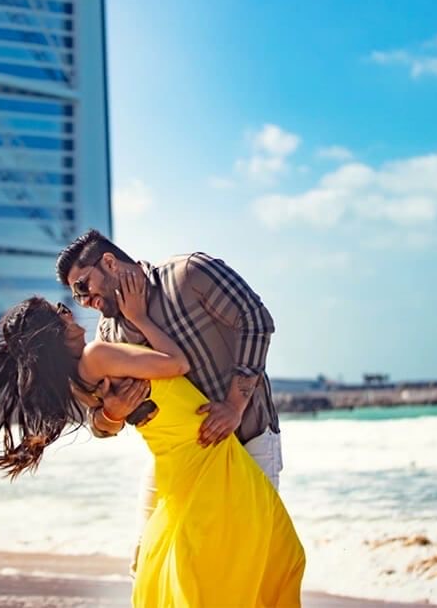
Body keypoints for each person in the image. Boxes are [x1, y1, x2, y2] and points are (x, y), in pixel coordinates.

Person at [0, 278, 305, 608]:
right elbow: (177, 365)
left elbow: (104, 421)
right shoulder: (97, 356)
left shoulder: (78, 377)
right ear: (51, 332)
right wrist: (139, 317)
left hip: (186, 460)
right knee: (253, 565)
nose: (70, 312)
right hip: (202, 456)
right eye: (59, 310)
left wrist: (111, 413)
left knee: (208, 572)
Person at [55, 229, 285, 571]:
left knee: (246, 565)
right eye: (76, 297)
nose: (84, 302)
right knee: (147, 563)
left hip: (248, 440)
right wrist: (113, 415)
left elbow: (255, 321)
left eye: (83, 287)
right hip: (179, 464)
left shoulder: (188, 274)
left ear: (108, 262)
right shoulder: (109, 334)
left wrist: (235, 406)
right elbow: (99, 423)